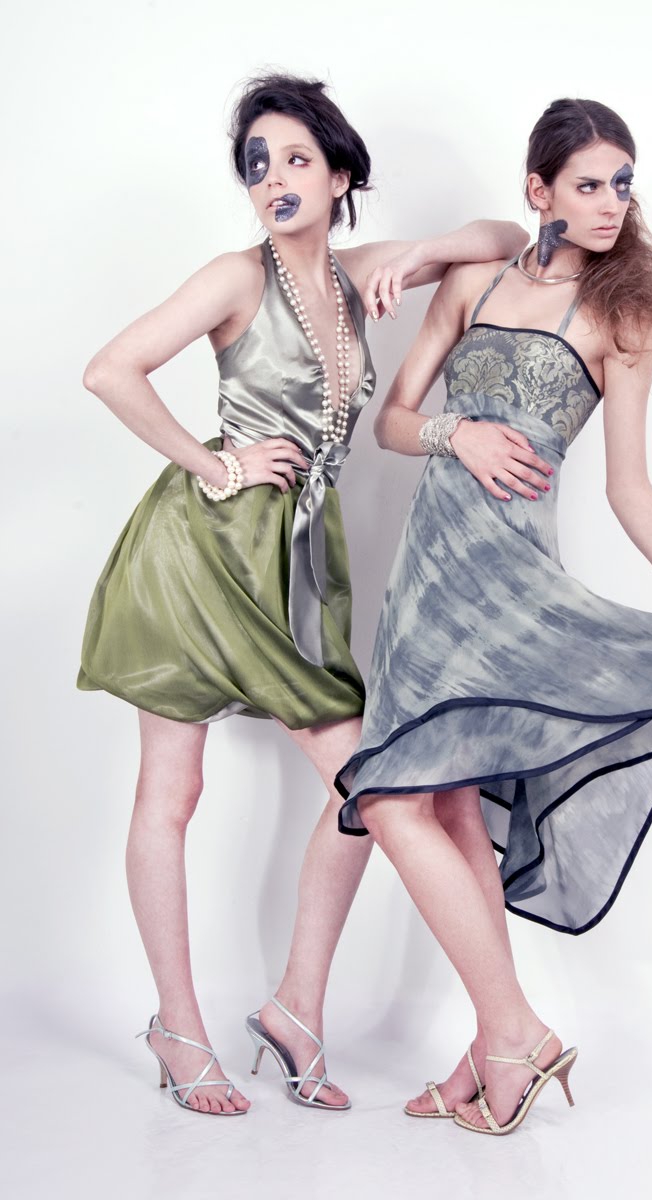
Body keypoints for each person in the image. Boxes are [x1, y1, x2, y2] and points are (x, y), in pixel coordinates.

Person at [78, 71, 527, 1116]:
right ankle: (178, 1025)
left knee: (364, 786)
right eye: (256, 165)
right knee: (173, 795)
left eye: (294, 159)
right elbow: (110, 370)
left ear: (338, 176)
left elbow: (503, 238)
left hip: (296, 567)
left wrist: (420, 252)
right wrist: (216, 462)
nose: (273, 179)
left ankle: (295, 1007)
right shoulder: (234, 278)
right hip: (199, 556)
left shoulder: (356, 275)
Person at [335, 98, 652, 1136]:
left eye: (622, 183)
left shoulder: (621, 316)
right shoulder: (477, 279)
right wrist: (459, 435)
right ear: (538, 190)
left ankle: (513, 1035)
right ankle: (494, 1049)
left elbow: (627, 485)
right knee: (438, 811)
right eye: (588, 184)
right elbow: (393, 422)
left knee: (393, 804)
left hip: (510, 581)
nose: (612, 203)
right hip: (428, 578)